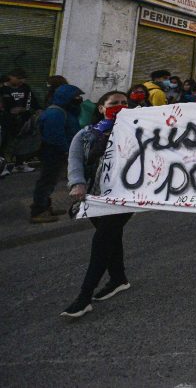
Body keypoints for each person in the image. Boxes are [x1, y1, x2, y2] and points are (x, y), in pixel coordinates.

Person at [61, 91, 132, 318]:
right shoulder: (85, 134)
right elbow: (75, 160)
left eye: (124, 103)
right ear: (101, 108)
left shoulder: (137, 129)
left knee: (102, 240)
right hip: (94, 195)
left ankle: (84, 298)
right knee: (111, 237)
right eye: (114, 103)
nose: (120, 106)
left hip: (124, 197)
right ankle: (118, 279)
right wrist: (77, 183)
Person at [30, 84, 83, 223]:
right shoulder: (56, 113)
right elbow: (55, 136)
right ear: (67, 97)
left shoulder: (65, 111)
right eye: (76, 96)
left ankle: (46, 207)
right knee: (46, 181)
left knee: (51, 181)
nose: (79, 98)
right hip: (53, 152)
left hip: (58, 152)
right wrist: (67, 150)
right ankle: (38, 211)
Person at [1, 68, 40, 176]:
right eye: (19, 78)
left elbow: (32, 100)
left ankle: (19, 164)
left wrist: (37, 109)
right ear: (11, 77)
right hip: (6, 120)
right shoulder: (3, 89)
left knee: (22, 142)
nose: (22, 81)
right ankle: (3, 166)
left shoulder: (25, 88)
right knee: (5, 143)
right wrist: (9, 110)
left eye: (23, 79)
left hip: (23, 119)